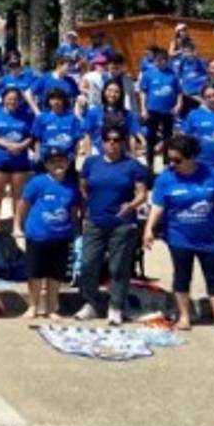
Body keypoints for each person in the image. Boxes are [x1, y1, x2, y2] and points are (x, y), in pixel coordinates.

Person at [144, 134, 214, 333]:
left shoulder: (212, 175)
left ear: (192, 158)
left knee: (213, 277)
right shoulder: (166, 178)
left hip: (209, 236)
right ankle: (184, 317)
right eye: (169, 159)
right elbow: (158, 206)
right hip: (179, 236)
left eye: (177, 160)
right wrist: (149, 229)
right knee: (182, 276)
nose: (172, 164)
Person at [77, 126, 148, 324]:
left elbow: (142, 193)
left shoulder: (133, 166)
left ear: (123, 142)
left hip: (122, 223)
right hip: (95, 221)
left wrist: (131, 205)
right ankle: (90, 303)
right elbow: (83, 188)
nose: (112, 143)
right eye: (108, 139)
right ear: (102, 141)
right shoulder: (91, 163)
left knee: (118, 268)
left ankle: (116, 306)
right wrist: (86, 210)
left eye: (117, 140)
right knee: (88, 264)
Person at [20, 148, 81, 319]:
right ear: (46, 164)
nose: (58, 164)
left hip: (62, 235)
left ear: (68, 163)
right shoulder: (37, 182)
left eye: (62, 160)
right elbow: (24, 204)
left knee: (55, 274)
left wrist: (74, 229)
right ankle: (33, 306)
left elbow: (74, 210)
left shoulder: (71, 185)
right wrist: (21, 224)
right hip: (38, 234)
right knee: (35, 273)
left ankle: (51, 307)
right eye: (53, 161)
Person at [0, 87, 35, 236]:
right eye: (9, 98)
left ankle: (17, 225)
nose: (12, 101)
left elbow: (31, 135)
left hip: (20, 160)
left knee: (18, 194)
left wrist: (21, 145)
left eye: (15, 99)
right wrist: (6, 145)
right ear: (3, 99)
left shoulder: (26, 115)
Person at [139, 49, 181, 172]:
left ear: (167, 60)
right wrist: (143, 108)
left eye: (163, 60)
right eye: (158, 60)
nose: (160, 62)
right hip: (152, 110)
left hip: (168, 111)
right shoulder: (148, 74)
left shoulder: (173, 74)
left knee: (167, 138)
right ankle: (150, 164)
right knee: (151, 137)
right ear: (154, 60)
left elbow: (179, 92)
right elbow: (143, 92)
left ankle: (167, 163)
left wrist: (178, 105)